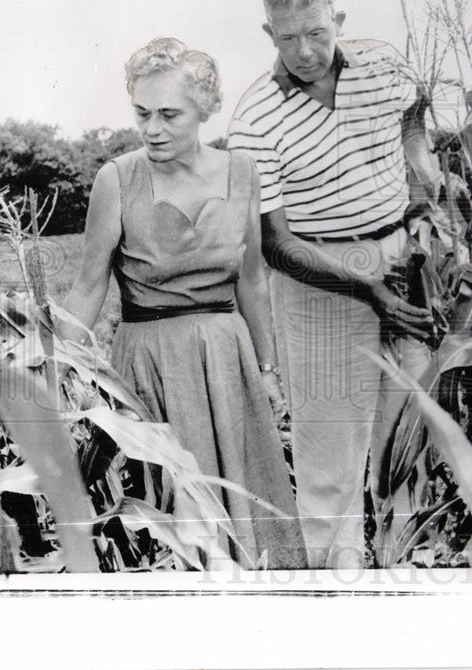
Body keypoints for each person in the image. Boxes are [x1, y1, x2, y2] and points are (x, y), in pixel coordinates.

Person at [62, 37, 306, 569]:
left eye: (169, 115)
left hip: (226, 361)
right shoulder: (117, 179)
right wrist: (57, 371)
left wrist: (267, 369)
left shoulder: (242, 173)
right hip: (147, 363)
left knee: (249, 512)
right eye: (142, 113)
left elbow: (252, 279)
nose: (152, 129)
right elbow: (87, 286)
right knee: (169, 523)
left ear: (204, 110)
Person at [227, 0, 440, 569]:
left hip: (402, 262)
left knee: (407, 447)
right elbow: (275, 245)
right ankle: (337, 597)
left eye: (317, 32)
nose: (305, 50)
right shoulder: (253, 120)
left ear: (338, 21)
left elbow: (414, 119)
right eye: (288, 37)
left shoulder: (383, 64)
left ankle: (402, 582)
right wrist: (362, 283)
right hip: (319, 273)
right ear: (269, 33)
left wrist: (422, 193)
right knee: (328, 467)